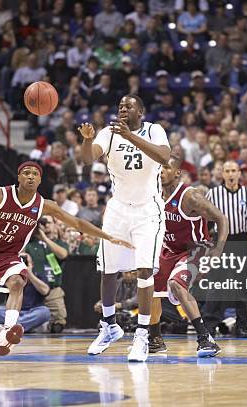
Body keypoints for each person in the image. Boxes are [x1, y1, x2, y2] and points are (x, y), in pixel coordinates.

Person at [0, 162, 131, 356]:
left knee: (17, 282)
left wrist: (107, 236)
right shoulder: (1, 194)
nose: (30, 176)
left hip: (6, 256)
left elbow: (76, 222)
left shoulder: (43, 205)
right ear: (19, 177)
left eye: (34, 174)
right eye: (26, 173)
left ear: (40, 180)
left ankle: (7, 331)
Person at [79, 94, 170, 362]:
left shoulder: (154, 130)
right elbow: (87, 159)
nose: (122, 109)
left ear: (140, 111)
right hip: (118, 208)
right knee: (108, 269)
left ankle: (142, 333)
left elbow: (165, 157)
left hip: (147, 210)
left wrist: (130, 136)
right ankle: (109, 326)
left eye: (128, 106)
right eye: (119, 105)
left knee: (144, 269)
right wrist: (86, 139)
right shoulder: (108, 133)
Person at [148, 155, 227, 357]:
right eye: (159, 167)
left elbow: (221, 217)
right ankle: (155, 339)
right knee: (148, 283)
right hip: (170, 249)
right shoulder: (155, 193)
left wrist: (217, 250)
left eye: (166, 167)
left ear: (177, 172)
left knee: (176, 284)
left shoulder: (190, 196)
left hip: (196, 248)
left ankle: (205, 338)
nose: (161, 171)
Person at [205, 160, 247, 336]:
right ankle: (210, 323)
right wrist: (207, 244)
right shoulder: (213, 194)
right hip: (220, 241)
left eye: (234, 171)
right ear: (222, 174)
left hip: (241, 239)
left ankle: (243, 323)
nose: (231, 174)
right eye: (227, 171)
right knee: (216, 282)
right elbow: (206, 221)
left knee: (242, 283)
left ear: (239, 174)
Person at [24, 215, 69, 333]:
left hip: (53, 291)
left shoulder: (59, 243)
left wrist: (44, 238)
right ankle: (36, 326)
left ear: (55, 225)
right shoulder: (30, 244)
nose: (46, 225)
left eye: (48, 222)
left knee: (58, 325)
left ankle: (37, 327)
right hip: (32, 290)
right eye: (43, 223)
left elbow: (63, 254)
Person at [0, 253, 51, 334]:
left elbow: (45, 291)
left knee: (45, 312)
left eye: (26, 262)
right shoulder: (10, 276)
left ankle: (9, 328)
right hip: (12, 311)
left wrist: (29, 274)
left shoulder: (39, 275)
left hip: (32, 311)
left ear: (32, 264)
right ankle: (29, 329)